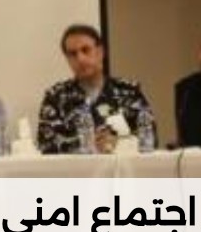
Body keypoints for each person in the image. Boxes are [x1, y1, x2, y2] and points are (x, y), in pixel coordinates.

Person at [37, 25, 152, 154]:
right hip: (76, 167)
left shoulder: (129, 92)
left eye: (86, 50)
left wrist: (120, 143)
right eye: (73, 54)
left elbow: (149, 139)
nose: (80, 59)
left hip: (122, 166)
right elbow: (46, 146)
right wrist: (87, 143)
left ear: (100, 52)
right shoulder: (55, 97)